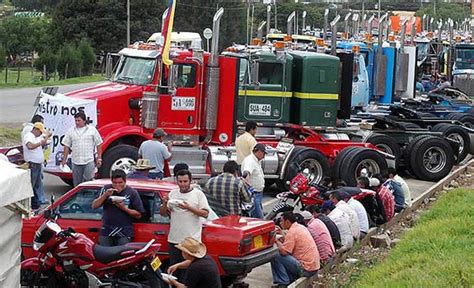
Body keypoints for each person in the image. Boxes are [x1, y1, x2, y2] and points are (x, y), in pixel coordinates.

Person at [160, 169, 210, 279]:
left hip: (191, 242)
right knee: (174, 271)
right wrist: (164, 203)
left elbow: (205, 214)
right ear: (176, 181)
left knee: (190, 272)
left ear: (190, 181)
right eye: (180, 181)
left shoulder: (198, 194)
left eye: (185, 181)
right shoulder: (173, 193)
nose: (183, 184)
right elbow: (163, 213)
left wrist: (188, 207)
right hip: (174, 240)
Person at [91, 169, 145, 246]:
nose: (117, 185)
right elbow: (94, 205)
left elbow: (138, 214)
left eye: (120, 183)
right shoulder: (106, 189)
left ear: (125, 181)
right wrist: (105, 195)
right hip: (106, 231)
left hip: (124, 232)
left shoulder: (132, 193)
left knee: (121, 255)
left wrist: (124, 208)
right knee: (104, 255)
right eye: (114, 183)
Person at [271, 212, 320, 287]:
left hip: (306, 268)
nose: (280, 223)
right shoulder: (300, 227)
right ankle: (287, 279)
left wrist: (276, 241)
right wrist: (282, 235)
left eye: (281, 221)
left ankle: (283, 282)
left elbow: (284, 252)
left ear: (287, 222)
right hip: (314, 266)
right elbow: (291, 243)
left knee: (275, 254)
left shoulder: (292, 232)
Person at [61, 112, 103, 186]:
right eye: (76, 120)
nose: (77, 122)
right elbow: (66, 145)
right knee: (77, 183)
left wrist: (99, 158)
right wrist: (64, 160)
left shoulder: (92, 130)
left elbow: (99, 143)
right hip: (76, 161)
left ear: (84, 121)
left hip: (88, 160)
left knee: (89, 181)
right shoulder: (71, 131)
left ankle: (89, 196)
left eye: (79, 120)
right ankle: (78, 197)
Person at [23, 122, 51, 209]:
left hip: (37, 164)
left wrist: (46, 137)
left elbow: (43, 140)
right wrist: (40, 144)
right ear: (36, 129)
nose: (40, 134)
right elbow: (30, 146)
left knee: (38, 184)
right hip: (33, 164)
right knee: (32, 184)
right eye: (40, 132)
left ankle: (38, 200)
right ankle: (30, 204)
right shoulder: (29, 136)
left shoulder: (36, 137)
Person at [241, 143, 266, 219]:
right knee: (258, 218)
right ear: (259, 152)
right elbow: (246, 174)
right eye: (264, 153)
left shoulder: (257, 160)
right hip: (253, 194)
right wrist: (249, 188)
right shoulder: (250, 161)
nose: (264, 155)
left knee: (257, 216)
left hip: (258, 193)